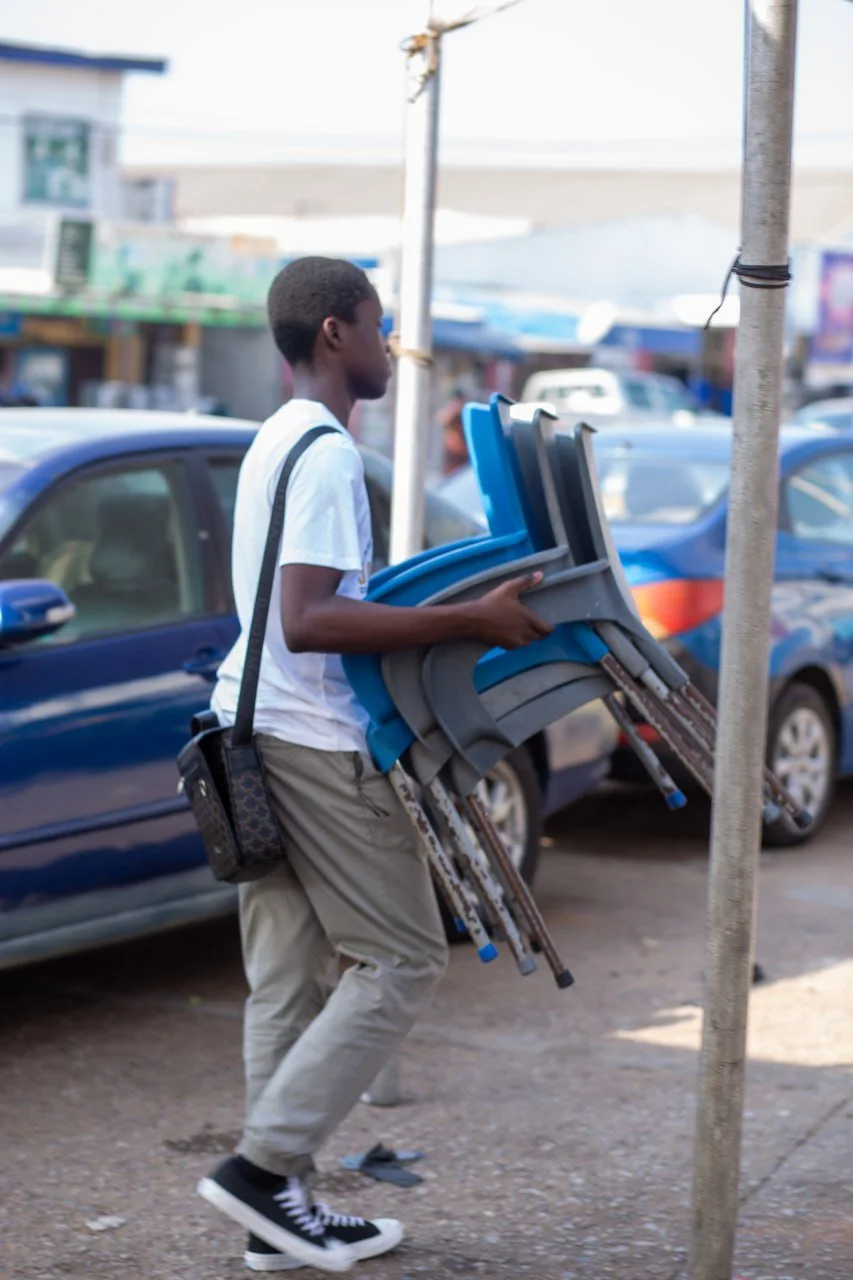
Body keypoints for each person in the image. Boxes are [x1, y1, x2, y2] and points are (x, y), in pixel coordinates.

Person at [198, 256, 552, 1274]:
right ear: (333, 334)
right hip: (308, 742)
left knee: (286, 981)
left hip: (251, 730)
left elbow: (301, 600)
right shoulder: (324, 455)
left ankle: (276, 1221)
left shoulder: (277, 438)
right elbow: (308, 620)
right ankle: (265, 1169)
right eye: (378, 324)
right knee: (402, 955)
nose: (390, 342)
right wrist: (469, 617)